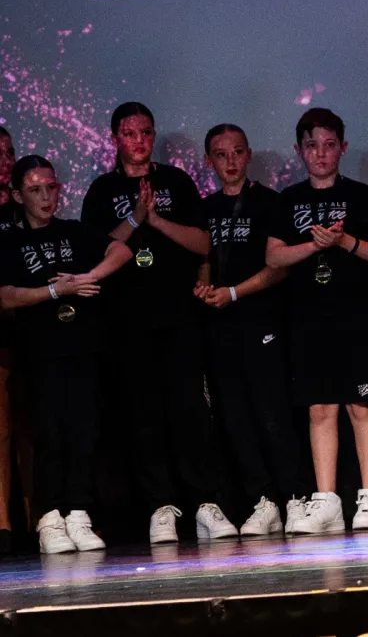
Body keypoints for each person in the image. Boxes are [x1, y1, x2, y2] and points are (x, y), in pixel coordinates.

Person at [81, 102, 237, 543]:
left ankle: (205, 502)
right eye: (129, 134)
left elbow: (202, 242)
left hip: (179, 316)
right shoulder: (102, 190)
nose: (139, 141)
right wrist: (134, 218)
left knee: (191, 410)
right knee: (143, 415)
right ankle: (160, 506)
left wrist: (156, 219)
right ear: (115, 139)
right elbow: (95, 249)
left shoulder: (176, 182)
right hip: (127, 321)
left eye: (146, 132)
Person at [2, 156, 133, 553]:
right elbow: (6, 295)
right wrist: (56, 291)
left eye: (51, 187)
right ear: (17, 195)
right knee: (49, 434)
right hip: (41, 353)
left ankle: (78, 512)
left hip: (83, 347)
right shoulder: (9, 240)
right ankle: (49, 517)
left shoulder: (73, 231)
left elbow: (121, 251)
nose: (46, 197)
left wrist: (88, 277)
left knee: (83, 431)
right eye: (35, 190)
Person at [266, 108, 368, 534]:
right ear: (299, 150)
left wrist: (344, 241)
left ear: (343, 148)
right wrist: (314, 246)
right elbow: (273, 257)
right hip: (306, 317)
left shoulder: (361, 195)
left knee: (362, 405)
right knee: (320, 408)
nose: (321, 153)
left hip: (354, 314)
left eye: (329, 145)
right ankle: (328, 500)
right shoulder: (288, 200)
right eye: (312, 145)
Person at [195, 124, 305, 535]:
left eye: (237, 152)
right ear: (208, 160)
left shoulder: (269, 203)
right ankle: (263, 500)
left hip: (261, 320)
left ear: (249, 154)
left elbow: (279, 267)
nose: (230, 161)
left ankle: (293, 497)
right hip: (220, 325)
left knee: (272, 412)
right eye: (221, 154)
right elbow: (204, 259)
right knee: (235, 416)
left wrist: (234, 293)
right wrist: (204, 285)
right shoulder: (204, 208)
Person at [0, 127, 17, 553]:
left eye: (9, 153)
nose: (5, 161)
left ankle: (40, 518)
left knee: (36, 432)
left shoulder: (25, 207)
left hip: (34, 330)